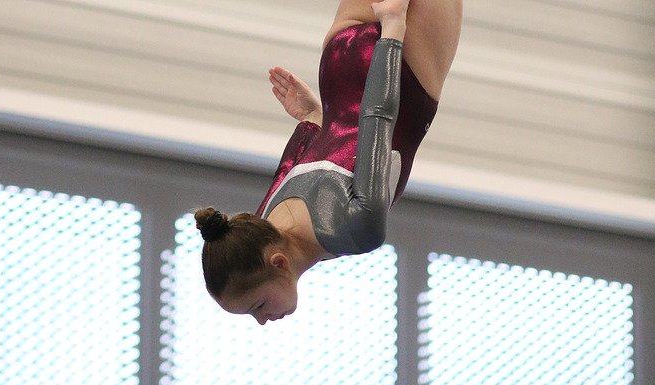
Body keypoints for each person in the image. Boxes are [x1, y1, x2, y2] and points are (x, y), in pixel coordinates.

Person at [195, 0, 462, 325]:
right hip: (340, 59)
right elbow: (305, 155)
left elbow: (378, 118)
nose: (263, 320)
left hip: (406, 68)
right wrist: (311, 116)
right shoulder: (263, 220)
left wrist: (392, 28)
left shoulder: (356, 231)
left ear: (278, 262)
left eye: (257, 307)